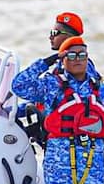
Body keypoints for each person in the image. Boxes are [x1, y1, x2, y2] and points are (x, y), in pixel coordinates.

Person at [11, 36, 104, 184]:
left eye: (82, 55)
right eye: (71, 55)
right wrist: (48, 61)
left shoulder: (100, 88)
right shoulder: (51, 85)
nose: (77, 59)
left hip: (92, 160)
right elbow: (19, 85)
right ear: (63, 59)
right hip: (59, 160)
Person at [17, 11, 97, 149]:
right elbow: (48, 96)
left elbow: (20, 85)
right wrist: (13, 110)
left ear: (68, 37)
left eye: (54, 33)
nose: (50, 37)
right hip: (56, 141)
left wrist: (46, 62)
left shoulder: (80, 68)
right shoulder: (59, 66)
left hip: (71, 146)